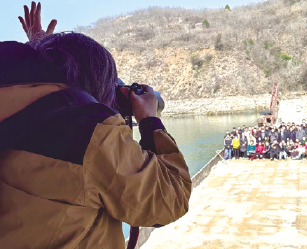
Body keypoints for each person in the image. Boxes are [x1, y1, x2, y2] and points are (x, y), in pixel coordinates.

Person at [0, 3, 191, 249]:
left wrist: (43, 55)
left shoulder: (16, 110)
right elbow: (170, 199)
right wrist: (150, 120)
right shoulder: (88, 132)